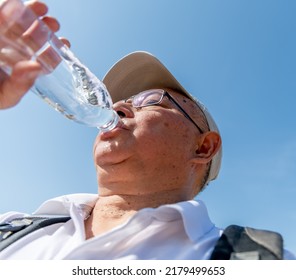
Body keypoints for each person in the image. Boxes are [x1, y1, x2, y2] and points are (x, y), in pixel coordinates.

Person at [0, 1, 294, 260]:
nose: (118, 108)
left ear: (203, 147)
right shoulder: (12, 229)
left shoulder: (257, 259)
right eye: (121, 102)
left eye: (150, 101)